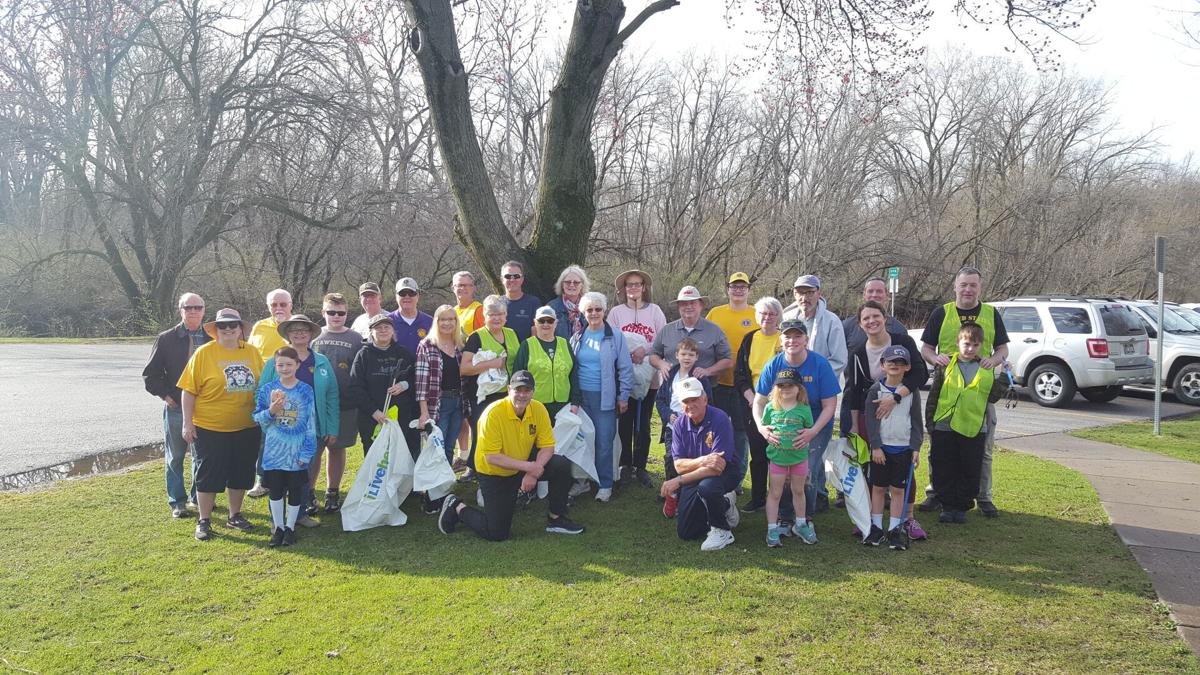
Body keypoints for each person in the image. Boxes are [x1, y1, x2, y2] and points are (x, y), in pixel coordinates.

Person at [436, 371, 585, 541]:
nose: (522, 395)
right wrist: (531, 468)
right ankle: (456, 506)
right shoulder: (493, 413)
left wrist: (532, 472)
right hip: (494, 472)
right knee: (497, 534)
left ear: (533, 392)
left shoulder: (538, 409)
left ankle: (556, 518)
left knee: (561, 465)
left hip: (521, 465)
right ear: (508, 390)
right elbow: (492, 457)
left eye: (527, 390)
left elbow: (548, 446)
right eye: (518, 390)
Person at [918, 266, 1010, 518]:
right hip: (947, 386)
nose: (968, 289)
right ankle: (935, 493)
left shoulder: (991, 314)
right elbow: (926, 347)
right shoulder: (942, 313)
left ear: (980, 288)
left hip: (979, 388)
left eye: (973, 285)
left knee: (982, 446)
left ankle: (983, 496)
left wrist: (995, 360)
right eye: (964, 285)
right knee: (940, 443)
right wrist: (935, 357)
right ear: (955, 287)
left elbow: (1003, 349)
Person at [177, 308, 264, 541]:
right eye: (223, 326)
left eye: (232, 325)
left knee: (241, 472)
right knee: (209, 474)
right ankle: (204, 520)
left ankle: (235, 515)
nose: (228, 329)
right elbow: (188, 390)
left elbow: (263, 386)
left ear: (240, 328)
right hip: (210, 426)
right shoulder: (204, 353)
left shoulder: (253, 352)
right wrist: (187, 423)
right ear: (215, 329)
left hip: (247, 426)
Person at [844, 301, 928, 540]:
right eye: (866, 318)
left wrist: (896, 397)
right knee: (874, 468)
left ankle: (907, 518)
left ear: (885, 318)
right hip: (874, 416)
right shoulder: (859, 352)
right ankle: (872, 520)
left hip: (902, 411)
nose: (872, 321)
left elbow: (920, 375)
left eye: (876, 316)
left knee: (903, 467)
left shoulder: (903, 342)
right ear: (860, 324)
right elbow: (854, 390)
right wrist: (853, 424)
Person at [753, 319, 840, 532]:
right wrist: (761, 427)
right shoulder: (773, 364)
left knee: (806, 470)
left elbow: (830, 405)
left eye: (798, 336)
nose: (792, 340)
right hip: (781, 423)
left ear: (806, 340)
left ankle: (805, 518)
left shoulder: (820, 364)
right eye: (788, 336)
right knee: (781, 472)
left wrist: (813, 432)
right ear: (781, 339)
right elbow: (759, 400)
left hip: (814, 422)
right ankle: (784, 518)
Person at [252, 314, 339, 529]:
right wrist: (268, 417)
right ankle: (278, 520)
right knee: (278, 478)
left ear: (311, 334)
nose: (300, 333)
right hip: (279, 432)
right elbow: (261, 394)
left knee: (303, 474)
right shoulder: (275, 361)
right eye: (294, 330)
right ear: (288, 334)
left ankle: (299, 514)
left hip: (309, 430)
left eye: (304, 330)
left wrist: (331, 427)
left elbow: (331, 396)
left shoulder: (321, 362)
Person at [924, 324, 1009, 524]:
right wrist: (931, 424)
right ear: (958, 343)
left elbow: (994, 397)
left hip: (973, 428)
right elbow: (934, 395)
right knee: (944, 467)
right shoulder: (945, 365)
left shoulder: (986, 368)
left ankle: (961, 506)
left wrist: (1004, 375)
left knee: (969, 469)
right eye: (966, 344)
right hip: (944, 425)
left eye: (975, 345)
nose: (970, 348)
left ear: (981, 346)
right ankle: (946, 506)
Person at [779, 274, 845, 513]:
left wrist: (815, 377)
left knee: (812, 452)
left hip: (819, 398)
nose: (804, 297)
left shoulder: (831, 321)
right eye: (800, 292)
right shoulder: (787, 318)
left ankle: (809, 505)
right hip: (791, 398)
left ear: (818, 293)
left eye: (809, 292)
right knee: (798, 450)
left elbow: (839, 360)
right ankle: (817, 495)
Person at [142, 292, 211, 518]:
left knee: (201, 456)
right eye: (188, 307)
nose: (193, 311)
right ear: (180, 310)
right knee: (176, 456)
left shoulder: (212, 338)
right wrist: (166, 396)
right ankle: (178, 502)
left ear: (203, 310)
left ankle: (197, 497)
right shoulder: (166, 338)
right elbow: (150, 375)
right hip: (176, 408)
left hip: (206, 408)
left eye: (197, 307)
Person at [657, 378, 743, 552]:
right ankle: (725, 504)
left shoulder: (720, 418)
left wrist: (679, 480)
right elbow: (679, 465)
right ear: (681, 405)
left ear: (705, 399)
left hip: (726, 473)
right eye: (686, 401)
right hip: (696, 473)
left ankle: (722, 531)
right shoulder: (680, 424)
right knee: (686, 532)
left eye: (695, 399)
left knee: (708, 488)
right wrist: (703, 460)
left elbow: (717, 467)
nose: (691, 405)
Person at [569, 292, 635, 502]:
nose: (594, 313)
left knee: (604, 442)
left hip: (605, 398)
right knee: (581, 441)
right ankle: (582, 481)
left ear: (604, 311)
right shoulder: (578, 336)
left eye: (598, 309)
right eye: (589, 310)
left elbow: (626, 368)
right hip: (581, 398)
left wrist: (623, 396)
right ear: (583, 313)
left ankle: (605, 484)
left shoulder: (615, 336)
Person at [607, 269, 667, 489]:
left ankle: (641, 466)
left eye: (637, 284)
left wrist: (645, 349)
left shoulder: (655, 311)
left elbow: (662, 340)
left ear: (644, 287)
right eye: (629, 285)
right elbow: (610, 339)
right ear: (624, 289)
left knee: (643, 423)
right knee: (624, 421)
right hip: (623, 377)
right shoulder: (616, 313)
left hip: (648, 378)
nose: (633, 288)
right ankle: (625, 465)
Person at [253, 347, 318, 547]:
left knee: (296, 490)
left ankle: (290, 528)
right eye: (280, 365)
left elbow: (310, 423)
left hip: (296, 453)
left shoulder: (305, 390)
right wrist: (271, 411)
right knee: (275, 490)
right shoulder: (268, 390)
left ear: (297, 365)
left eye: (289, 364)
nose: (285, 368)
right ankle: (278, 527)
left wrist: (307, 453)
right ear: (275, 366)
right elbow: (258, 419)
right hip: (274, 453)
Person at [862, 345, 924, 551]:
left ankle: (895, 529)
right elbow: (870, 422)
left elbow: (916, 421)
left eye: (900, 363)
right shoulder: (875, 390)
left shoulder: (911, 392)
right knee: (878, 488)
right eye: (890, 362)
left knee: (898, 489)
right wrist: (876, 447)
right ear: (882, 365)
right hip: (882, 450)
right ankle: (877, 527)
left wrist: (915, 448)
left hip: (903, 449)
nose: (895, 365)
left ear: (907, 367)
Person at [311, 293, 364, 513]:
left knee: (337, 447)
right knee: (315, 449)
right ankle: (309, 492)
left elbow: (360, 370)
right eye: (331, 312)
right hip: (316, 404)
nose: (336, 316)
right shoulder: (314, 337)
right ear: (323, 313)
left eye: (340, 313)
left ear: (346, 314)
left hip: (344, 402)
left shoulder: (355, 338)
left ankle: (332, 492)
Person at [706, 272, 759, 491]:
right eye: (734, 286)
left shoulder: (757, 313)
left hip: (742, 385)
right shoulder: (715, 313)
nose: (738, 290)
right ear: (727, 289)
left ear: (748, 289)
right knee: (715, 430)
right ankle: (715, 470)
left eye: (742, 286)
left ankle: (736, 479)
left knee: (740, 433)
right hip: (718, 382)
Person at [733, 296, 782, 514]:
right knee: (758, 453)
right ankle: (758, 498)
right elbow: (740, 374)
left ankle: (780, 500)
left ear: (778, 317)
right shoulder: (749, 339)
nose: (767, 317)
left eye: (772, 313)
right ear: (757, 316)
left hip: (781, 404)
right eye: (763, 313)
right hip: (753, 404)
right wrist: (752, 398)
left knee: (780, 455)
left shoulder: (784, 339)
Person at [461, 294, 519, 472]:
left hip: (507, 394)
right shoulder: (476, 337)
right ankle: (477, 470)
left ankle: (500, 467)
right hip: (482, 395)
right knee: (482, 434)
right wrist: (491, 364)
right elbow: (464, 368)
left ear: (506, 316)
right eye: (491, 314)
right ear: (484, 316)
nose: (496, 318)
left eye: (500, 314)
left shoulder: (511, 333)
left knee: (503, 434)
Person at [348, 314, 418, 456]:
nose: (383, 330)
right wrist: (374, 412)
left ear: (393, 331)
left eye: (387, 327)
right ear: (371, 332)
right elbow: (355, 387)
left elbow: (417, 378)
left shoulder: (403, 354)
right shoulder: (363, 355)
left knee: (399, 457)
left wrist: (405, 385)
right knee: (375, 459)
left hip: (400, 417)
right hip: (372, 418)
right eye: (378, 328)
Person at [761, 368, 815, 548]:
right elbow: (765, 426)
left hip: (799, 458)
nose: (786, 389)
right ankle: (771, 528)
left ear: (799, 388)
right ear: (776, 388)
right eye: (781, 386)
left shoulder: (804, 409)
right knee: (775, 493)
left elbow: (809, 429)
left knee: (798, 491)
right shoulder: (770, 408)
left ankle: (800, 524)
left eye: (790, 385)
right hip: (777, 459)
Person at [655, 338, 713, 496]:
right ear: (677, 355)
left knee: (689, 459)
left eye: (691, 354)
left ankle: (687, 492)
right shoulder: (670, 374)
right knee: (670, 458)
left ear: (697, 357)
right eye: (684, 354)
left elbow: (709, 402)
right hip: (672, 426)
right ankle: (671, 494)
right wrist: (668, 416)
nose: (687, 357)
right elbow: (659, 400)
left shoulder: (699, 377)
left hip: (693, 426)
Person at [649, 285, 733, 394]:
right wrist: (661, 364)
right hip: (671, 391)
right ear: (678, 306)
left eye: (693, 303)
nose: (688, 307)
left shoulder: (714, 330)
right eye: (684, 303)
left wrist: (708, 371)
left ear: (701, 305)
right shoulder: (667, 330)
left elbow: (728, 361)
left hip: (704, 392)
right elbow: (653, 356)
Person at [415, 304, 465, 463]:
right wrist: (424, 412)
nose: (447, 323)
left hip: (459, 402)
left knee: (450, 445)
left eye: (451, 319)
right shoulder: (427, 345)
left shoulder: (460, 345)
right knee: (437, 446)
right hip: (438, 403)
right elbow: (421, 382)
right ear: (436, 321)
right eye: (443, 319)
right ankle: (434, 486)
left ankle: (446, 484)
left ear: (456, 322)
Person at [513, 306, 581, 420]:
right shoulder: (527, 345)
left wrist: (575, 402)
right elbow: (517, 376)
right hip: (535, 405)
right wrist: (520, 403)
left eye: (550, 321)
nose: (546, 324)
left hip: (564, 406)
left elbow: (573, 375)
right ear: (535, 322)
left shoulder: (565, 343)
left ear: (556, 323)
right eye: (541, 321)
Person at [843, 277, 906, 355]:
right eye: (870, 291)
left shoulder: (898, 329)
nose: (874, 295)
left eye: (879, 291)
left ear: (886, 295)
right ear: (864, 294)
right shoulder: (847, 326)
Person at [387, 277, 433, 355]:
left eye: (411, 293)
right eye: (402, 293)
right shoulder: (386, 322)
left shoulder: (430, 322)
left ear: (418, 296)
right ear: (396, 296)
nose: (407, 297)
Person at [500, 260, 541, 341]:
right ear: (502, 279)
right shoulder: (497, 303)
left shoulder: (533, 302)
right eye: (508, 276)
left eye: (516, 276)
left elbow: (535, 332)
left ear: (522, 279)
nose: (512, 280)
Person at [247, 289, 292, 361]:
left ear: (290, 306)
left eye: (283, 305)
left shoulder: (299, 326)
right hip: (262, 370)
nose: (278, 308)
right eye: (274, 305)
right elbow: (249, 352)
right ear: (268, 307)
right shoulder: (259, 326)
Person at [547, 265, 590, 339]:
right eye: (568, 282)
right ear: (562, 285)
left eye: (576, 282)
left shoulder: (589, 308)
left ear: (582, 285)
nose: (572, 285)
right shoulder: (551, 308)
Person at [452, 271, 485, 337]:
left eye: (467, 285)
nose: (463, 288)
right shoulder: (452, 311)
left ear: (473, 288)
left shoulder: (480, 310)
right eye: (460, 285)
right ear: (453, 288)